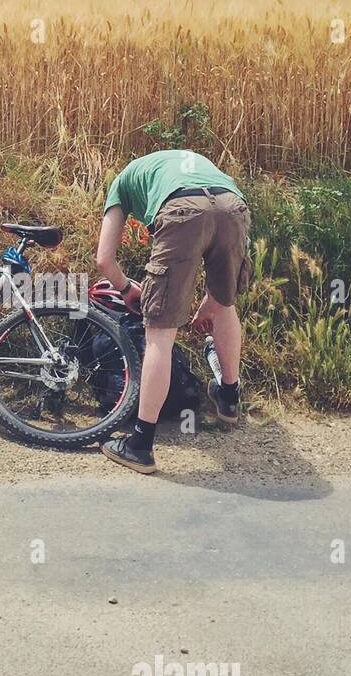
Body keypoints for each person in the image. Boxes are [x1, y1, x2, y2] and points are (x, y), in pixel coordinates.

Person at [95, 149, 250, 474]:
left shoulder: (121, 184)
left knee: (160, 334)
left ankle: (139, 445)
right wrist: (214, 298)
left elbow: (104, 261)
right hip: (232, 204)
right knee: (226, 308)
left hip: (181, 209)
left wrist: (126, 288)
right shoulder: (185, 162)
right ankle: (229, 398)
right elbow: (214, 212)